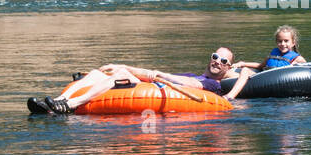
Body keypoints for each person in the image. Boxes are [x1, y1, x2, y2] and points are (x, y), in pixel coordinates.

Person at [27, 46, 251, 114]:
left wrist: (231, 94)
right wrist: (122, 64)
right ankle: (54, 103)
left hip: (162, 90)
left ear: (227, 67)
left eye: (222, 61)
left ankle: (70, 106)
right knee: (95, 73)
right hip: (156, 85)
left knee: (120, 76)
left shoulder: (212, 84)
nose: (216, 61)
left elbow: (190, 86)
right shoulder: (199, 74)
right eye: (214, 56)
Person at [233, 25, 308, 75]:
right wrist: (243, 64)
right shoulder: (273, 54)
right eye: (279, 41)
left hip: (281, 80)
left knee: (245, 71)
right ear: (276, 42)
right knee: (243, 70)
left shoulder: (298, 59)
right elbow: (260, 66)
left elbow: (309, 69)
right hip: (264, 79)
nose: (282, 43)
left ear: (293, 43)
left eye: (286, 41)